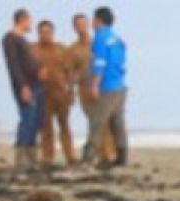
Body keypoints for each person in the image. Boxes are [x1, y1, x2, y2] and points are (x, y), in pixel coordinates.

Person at [66, 12, 115, 163]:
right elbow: (70, 73)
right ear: (74, 27)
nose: (81, 27)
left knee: (104, 121)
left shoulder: (98, 43)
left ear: (88, 25)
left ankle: (108, 154)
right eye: (77, 25)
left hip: (102, 88)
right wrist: (71, 91)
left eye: (83, 24)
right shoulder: (72, 49)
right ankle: (100, 154)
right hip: (84, 90)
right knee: (93, 122)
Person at [82, 6, 127, 167]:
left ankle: (88, 156)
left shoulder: (100, 37)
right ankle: (122, 156)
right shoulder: (117, 38)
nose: (91, 24)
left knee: (97, 121)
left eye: (93, 20)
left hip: (107, 86)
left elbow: (100, 62)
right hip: (120, 85)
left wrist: (94, 85)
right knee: (118, 122)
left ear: (98, 20)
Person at [1, 9, 44, 169]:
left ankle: (32, 157)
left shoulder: (23, 40)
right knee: (27, 119)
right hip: (26, 85)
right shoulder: (10, 39)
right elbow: (14, 65)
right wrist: (23, 86)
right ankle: (22, 157)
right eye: (29, 21)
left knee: (35, 120)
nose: (30, 24)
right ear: (23, 20)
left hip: (37, 84)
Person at [31, 20, 75, 165]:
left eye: (48, 32)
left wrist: (71, 91)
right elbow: (26, 70)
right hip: (42, 94)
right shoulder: (32, 50)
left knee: (64, 125)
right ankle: (48, 156)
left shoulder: (61, 49)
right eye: (42, 32)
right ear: (38, 33)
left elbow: (70, 72)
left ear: (52, 33)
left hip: (61, 93)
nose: (45, 35)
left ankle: (70, 155)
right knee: (46, 127)